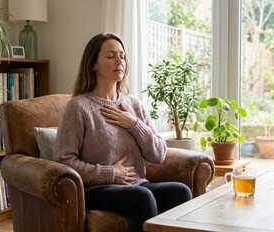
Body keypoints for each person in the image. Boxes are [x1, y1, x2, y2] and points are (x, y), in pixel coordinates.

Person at [54, 32, 192, 232]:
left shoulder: (133, 104)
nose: (119, 61)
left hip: (136, 185)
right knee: (142, 198)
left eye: (122, 56)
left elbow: (159, 154)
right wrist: (111, 173)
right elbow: (64, 161)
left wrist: (134, 124)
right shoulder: (78, 107)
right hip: (97, 190)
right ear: (93, 64)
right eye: (110, 56)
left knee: (180, 192)